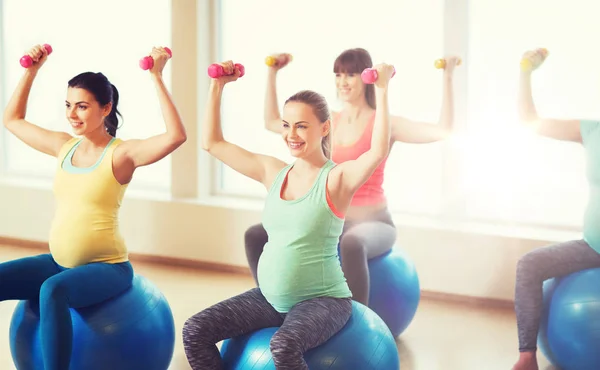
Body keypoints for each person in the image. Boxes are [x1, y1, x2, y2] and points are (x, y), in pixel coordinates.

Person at [182, 60, 394, 369]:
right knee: (195, 330)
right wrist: (217, 87)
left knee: (283, 345)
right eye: (286, 125)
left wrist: (383, 90)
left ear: (324, 127)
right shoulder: (273, 172)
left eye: (302, 125)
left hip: (323, 301)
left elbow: (376, 152)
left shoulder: (335, 179)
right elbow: (211, 143)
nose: (291, 134)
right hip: (270, 298)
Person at [1, 44, 186, 370]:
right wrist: (31, 71)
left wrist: (157, 76)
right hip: (60, 262)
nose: (72, 114)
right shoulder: (63, 146)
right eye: (68, 105)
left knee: (53, 291)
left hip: (108, 268)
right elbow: (12, 120)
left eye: (82, 106)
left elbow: (175, 136)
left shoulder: (121, 154)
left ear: (105, 109)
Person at [244, 47, 460, 305]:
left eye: (350, 74)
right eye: (338, 74)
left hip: (374, 222)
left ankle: (358, 320)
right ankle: (269, 302)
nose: (342, 82)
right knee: (255, 234)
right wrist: (272, 73)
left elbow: (443, 130)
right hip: (329, 219)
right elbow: (272, 121)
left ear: (366, 79)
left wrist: (447, 77)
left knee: (352, 243)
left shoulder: (383, 122)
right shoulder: (328, 122)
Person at [512, 48, 600, 370]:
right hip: (594, 246)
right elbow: (531, 122)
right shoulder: (592, 129)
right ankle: (526, 356)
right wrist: (525, 72)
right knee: (529, 265)